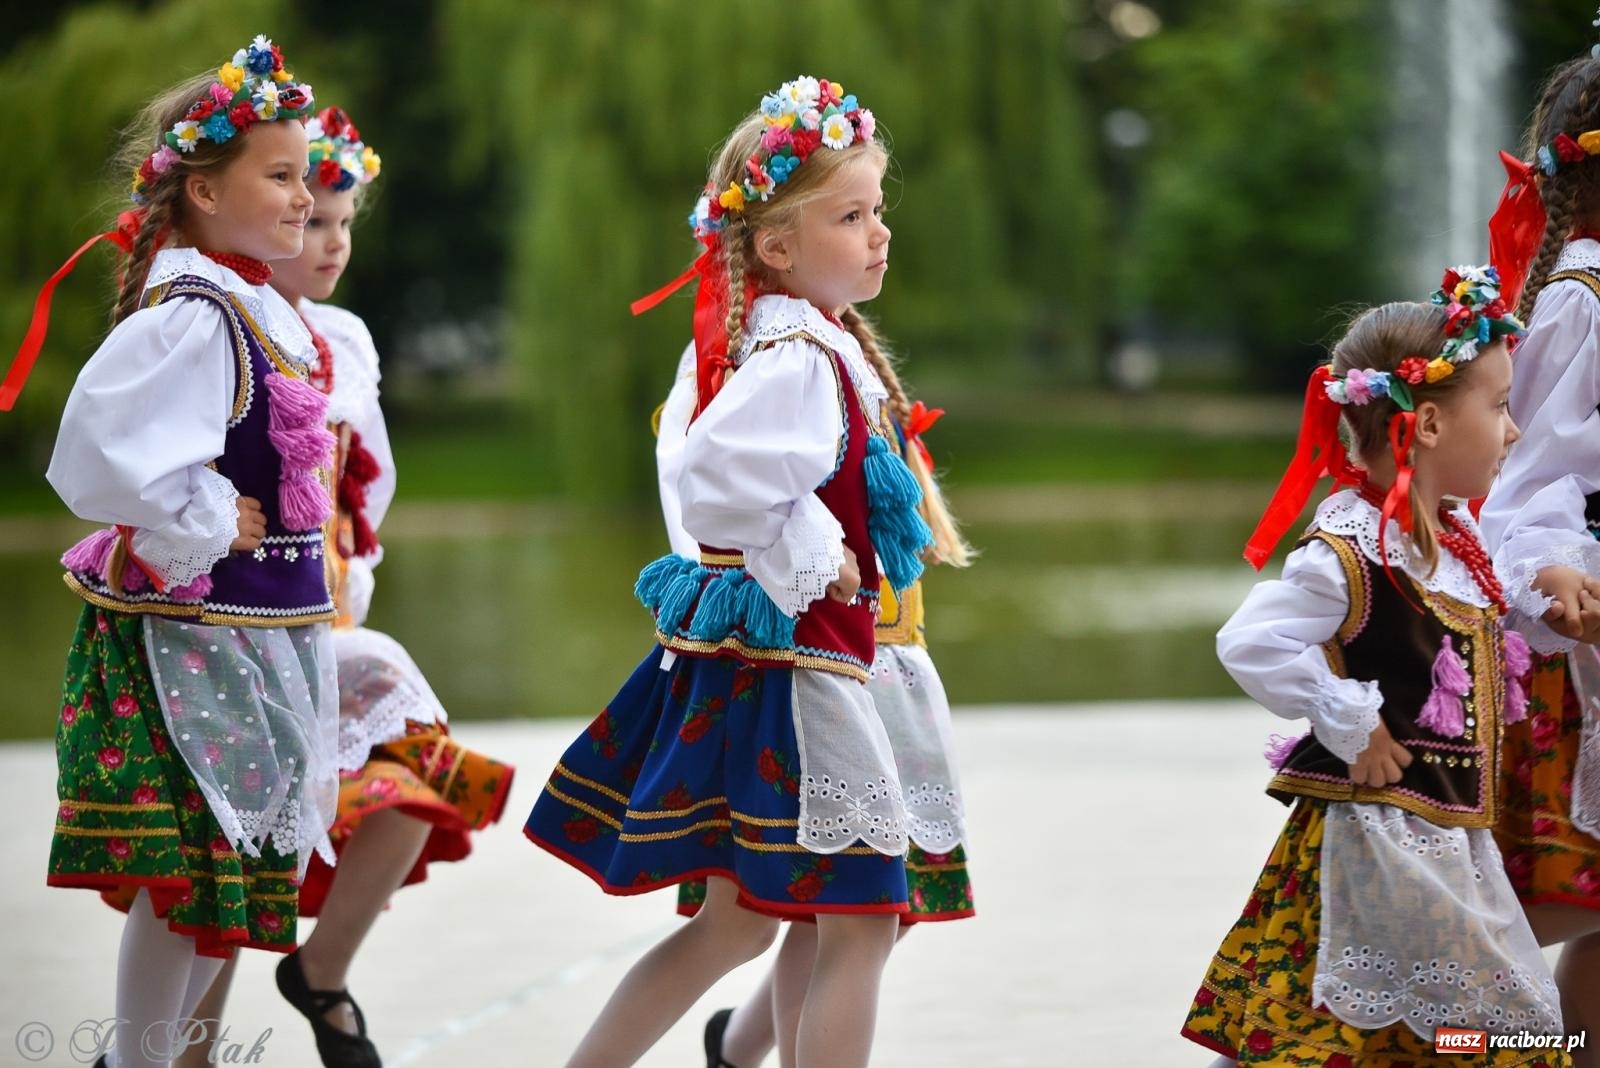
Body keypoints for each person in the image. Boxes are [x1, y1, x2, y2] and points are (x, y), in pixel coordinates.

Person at [523, 76, 927, 1068]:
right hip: (798, 673)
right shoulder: (792, 354)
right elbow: (712, 477)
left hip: (804, 661)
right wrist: (808, 551)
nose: (877, 232)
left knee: (757, 919)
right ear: (777, 246)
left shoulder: (809, 342)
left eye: (877, 210)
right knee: (857, 919)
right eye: (849, 215)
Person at [5, 36, 339, 1068]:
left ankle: (139, 1061)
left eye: (305, 176)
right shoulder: (194, 315)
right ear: (202, 187)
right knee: (190, 867)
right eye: (278, 177)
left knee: (227, 862)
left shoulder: (254, 308)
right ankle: (139, 1061)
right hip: (189, 634)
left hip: (256, 629)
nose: (300, 198)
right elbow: (100, 456)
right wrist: (195, 514)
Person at [1180, 266, 1567, 1066]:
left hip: (1451, 842)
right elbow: (1250, 641)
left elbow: (1497, 616)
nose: (1514, 432)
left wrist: (1555, 586)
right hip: (1374, 839)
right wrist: (1351, 720)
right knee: (1413, 1030)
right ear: (1425, 425)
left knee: (1426, 1032)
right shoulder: (1353, 554)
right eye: (1498, 409)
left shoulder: (1461, 545)